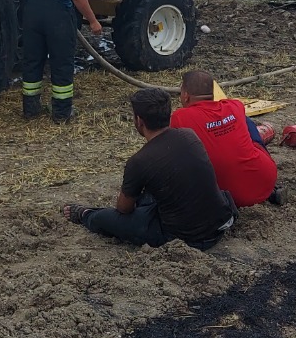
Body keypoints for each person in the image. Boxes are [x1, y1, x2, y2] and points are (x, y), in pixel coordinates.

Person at [62, 88, 236, 249]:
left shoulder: (139, 161)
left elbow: (123, 209)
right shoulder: (189, 135)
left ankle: (86, 215)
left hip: (185, 238)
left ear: (139, 121)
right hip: (218, 225)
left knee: (109, 218)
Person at [172, 70, 279, 208]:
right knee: (245, 122)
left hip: (224, 196)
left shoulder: (180, 117)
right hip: (266, 180)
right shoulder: (235, 106)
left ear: (185, 96)